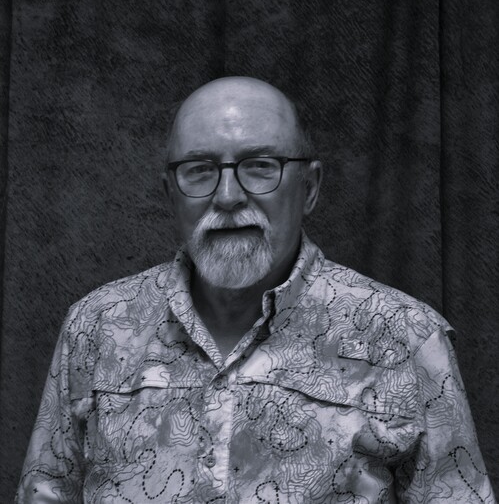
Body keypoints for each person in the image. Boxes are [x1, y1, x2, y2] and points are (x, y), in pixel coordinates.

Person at [17, 76, 495, 503]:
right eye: (200, 169)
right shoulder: (96, 328)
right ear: (170, 194)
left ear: (310, 187)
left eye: (260, 166)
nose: (228, 196)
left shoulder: (406, 338)